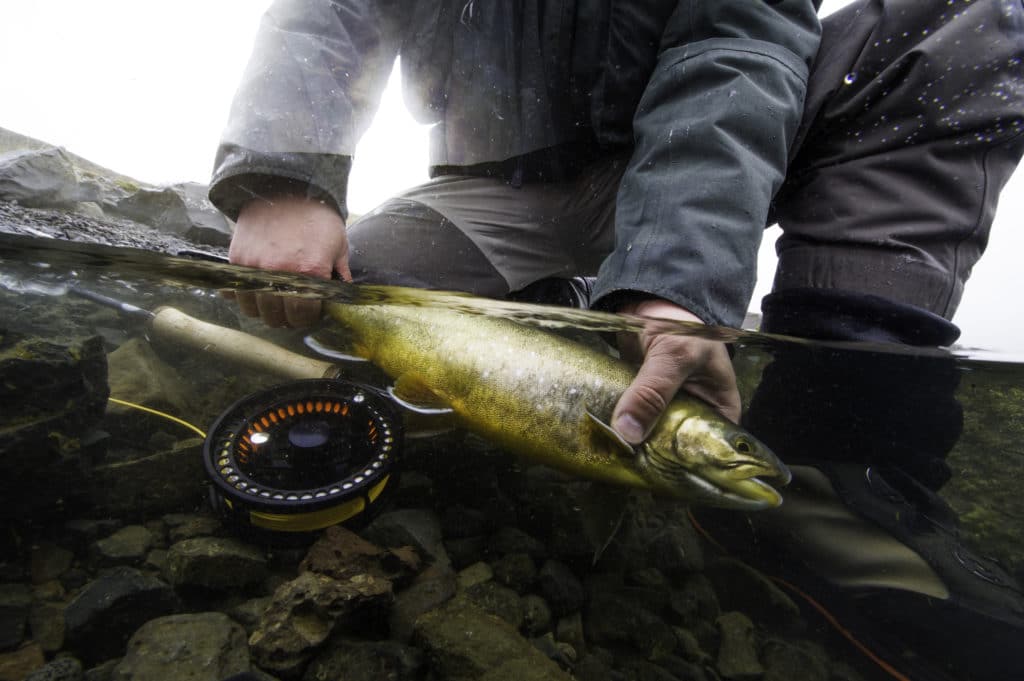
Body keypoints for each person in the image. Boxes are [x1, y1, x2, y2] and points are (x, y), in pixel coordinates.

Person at [210, 1, 1024, 678]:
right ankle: (566, 302)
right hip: (500, 181)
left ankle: (836, 460)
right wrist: (284, 176)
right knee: (334, 291)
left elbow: (735, 38)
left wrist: (679, 280)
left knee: (967, 23)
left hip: (733, 154)